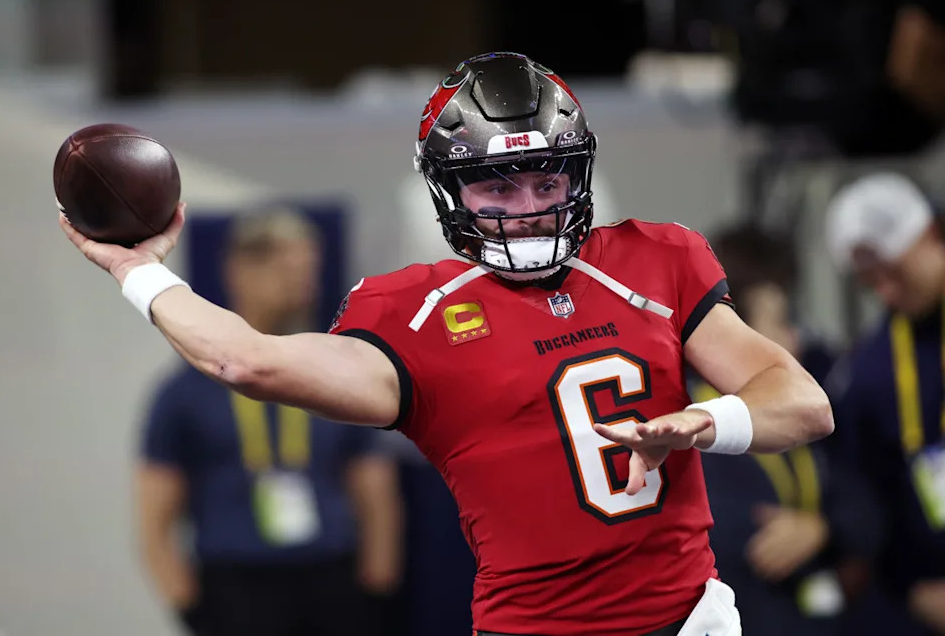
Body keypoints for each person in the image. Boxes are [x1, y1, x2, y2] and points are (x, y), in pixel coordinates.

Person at [61, 52, 833, 636]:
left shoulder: (656, 259)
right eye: (498, 185)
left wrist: (704, 420)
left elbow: (803, 403)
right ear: (448, 190)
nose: (528, 208)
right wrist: (139, 271)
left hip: (691, 617)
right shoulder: (416, 311)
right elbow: (245, 358)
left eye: (547, 180)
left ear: (579, 176)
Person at [136, 210, 403, 636]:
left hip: (332, 578)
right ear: (240, 271)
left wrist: (377, 589)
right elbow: (154, 519)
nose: (304, 284)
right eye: (288, 270)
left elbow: (375, 491)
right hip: (236, 584)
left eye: (309, 271)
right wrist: (191, 609)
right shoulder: (185, 393)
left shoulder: (332, 371)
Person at [689, 224, 882, 636]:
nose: (794, 340)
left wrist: (822, 527)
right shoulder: (690, 429)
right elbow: (749, 546)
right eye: (778, 323)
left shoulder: (799, 412)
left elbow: (865, 507)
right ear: (733, 333)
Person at [824, 171, 945, 635]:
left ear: (930, 234)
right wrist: (913, 590)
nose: (887, 293)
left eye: (895, 272)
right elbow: (870, 501)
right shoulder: (871, 372)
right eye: (871, 282)